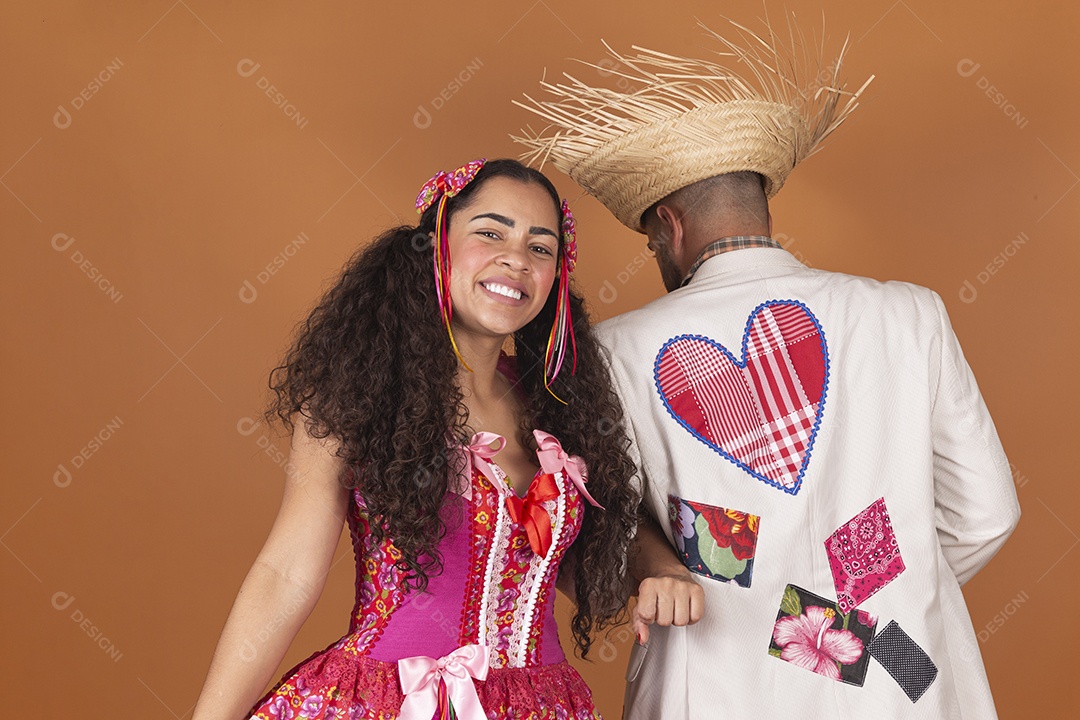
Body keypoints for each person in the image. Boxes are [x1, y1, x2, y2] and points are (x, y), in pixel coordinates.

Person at [514, 18, 1021, 720]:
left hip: (708, 677)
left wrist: (765, 609)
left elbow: (599, 525)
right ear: (761, 201)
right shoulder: (909, 314)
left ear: (670, 224)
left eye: (651, 238)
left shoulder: (610, 349)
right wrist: (852, 623)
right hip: (898, 671)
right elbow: (987, 512)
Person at [191, 158, 691, 720]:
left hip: (545, 706)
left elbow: (575, 564)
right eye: (490, 233)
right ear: (435, 247)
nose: (516, 259)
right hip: (392, 701)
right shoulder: (360, 394)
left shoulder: (562, 405)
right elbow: (285, 575)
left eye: (540, 247)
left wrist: (664, 569)